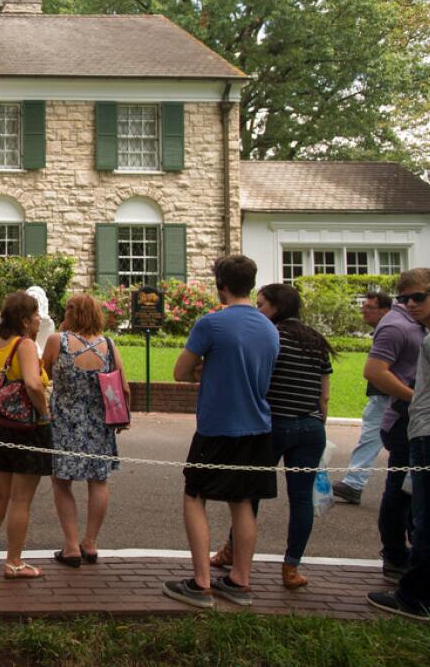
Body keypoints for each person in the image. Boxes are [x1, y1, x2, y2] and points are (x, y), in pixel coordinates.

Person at [163, 255, 279, 609]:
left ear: (221, 286)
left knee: (194, 496)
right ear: (252, 284)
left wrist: (204, 368)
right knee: (242, 502)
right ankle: (240, 580)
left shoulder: (211, 324)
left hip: (218, 428)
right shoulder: (268, 328)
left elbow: (180, 372)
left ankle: (200, 583)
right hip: (258, 426)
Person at [210, 284, 334, 589]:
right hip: (311, 428)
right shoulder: (317, 341)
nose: (258, 309)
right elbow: (324, 397)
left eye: (262, 305)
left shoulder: (269, 336)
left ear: (276, 309)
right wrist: (317, 422)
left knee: (248, 494)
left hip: (272, 426)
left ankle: (233, 554)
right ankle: (291, 568)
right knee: (301, 499)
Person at [369, 270, 430, 620]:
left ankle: (417, 597)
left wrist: (416, 402)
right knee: (418, 507)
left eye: (418, 297)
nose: (410, 304)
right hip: (421, 431)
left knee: (428, 517)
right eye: (404, 298)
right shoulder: (419, 332)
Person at [42, 293, 127, 568]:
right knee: (98, 481)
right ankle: (90, 543)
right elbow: (124, 387)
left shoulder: (58, 341)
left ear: (71, 312)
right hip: (99, 423)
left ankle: (70, 546)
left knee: (61, 481)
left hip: (65, 422)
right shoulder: (109, 345)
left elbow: (43, 374)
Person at [0, 291, 52, 580]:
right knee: (21, 499)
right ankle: (14, 561)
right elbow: (34, 385)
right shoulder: (24, 345)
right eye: (36, 315)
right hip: (24, 427)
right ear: (24, 320)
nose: (39, 319)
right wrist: (45, 413)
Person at [334, 291, 395, 504]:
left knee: (372, 436)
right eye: (364, 307)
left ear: (385, 310)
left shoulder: (390, 331)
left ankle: (354, 483)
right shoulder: (389, 329)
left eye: (370, 307)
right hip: (387, 394)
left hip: (387, 395)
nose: (364, 311)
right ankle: (354, 483)